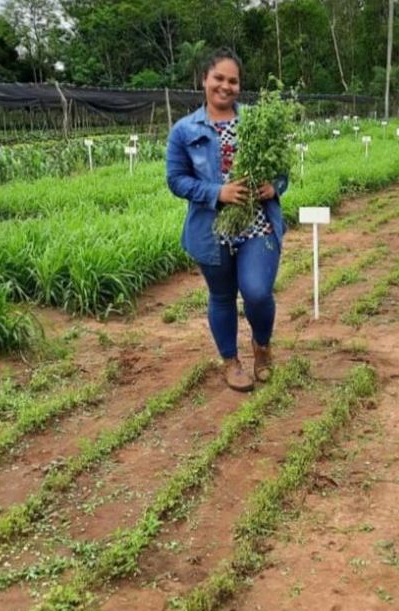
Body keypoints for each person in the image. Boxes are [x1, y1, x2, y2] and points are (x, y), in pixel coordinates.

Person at [166, 48, 288, 392]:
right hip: (211, 228)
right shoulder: (183, 130)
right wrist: (217, 193)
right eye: (218, 78)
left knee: (258, 293)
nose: (225, 86)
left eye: (232, 80)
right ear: (204, 79)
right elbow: (176, 180)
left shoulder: (257, 120)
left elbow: (282, 171)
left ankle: (261, 347)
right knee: (222, 296)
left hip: (257, 224)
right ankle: (231, 362)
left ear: (239, 86)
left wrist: (273, 186)